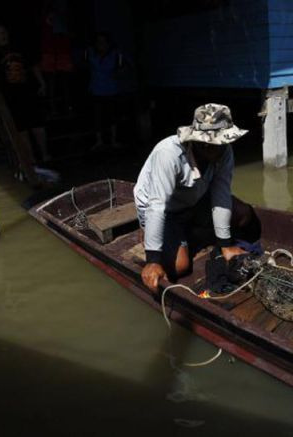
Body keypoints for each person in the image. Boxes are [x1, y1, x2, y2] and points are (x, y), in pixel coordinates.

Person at [134, 103, 259, 292]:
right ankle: (148, 233)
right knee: (180, 266)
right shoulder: (168, 154)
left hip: (195, 198)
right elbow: (157, 205)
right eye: (218, 144)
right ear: (203, 144)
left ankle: (189, 231)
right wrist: (153, 260)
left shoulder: (224, 152)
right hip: (164, 208)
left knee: (244, 214)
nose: (225, 147)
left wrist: (225, 246)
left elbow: (221, 194)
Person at [0, 23, 51, 164]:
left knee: (38, 125)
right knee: (21, 129)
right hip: (10, 96)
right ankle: (31, 159)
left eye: (3, 31)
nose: (2, 35)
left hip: (29, 91)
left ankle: (45, 154)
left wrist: (41, 82)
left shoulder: (20, 46)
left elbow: (32, 65)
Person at [86, 32, 130, 149]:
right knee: (97, 117)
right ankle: (99, 141)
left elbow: (123, 68)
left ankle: (113, 140)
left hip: (111, 89)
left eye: (104, 41)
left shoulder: (115, 55)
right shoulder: (90, 53)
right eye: (99, 41)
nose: (101, 44)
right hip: (96, 90)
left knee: (112, 116)